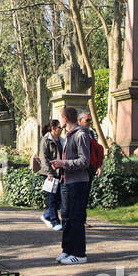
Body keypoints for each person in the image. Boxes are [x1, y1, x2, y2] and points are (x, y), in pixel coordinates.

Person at [53, 107, 93, 265]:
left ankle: (79, 253)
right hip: (67, 182)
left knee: (76, 219)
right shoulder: (68, 136)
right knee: (67, 218)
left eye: (60, 118)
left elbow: (85, 161)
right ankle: (67, 250)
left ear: (64, 118)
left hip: (78, 183)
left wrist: (63, 163)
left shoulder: (81, 134)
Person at [39, 120, 63, 231]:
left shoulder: (61, 140)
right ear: (53, 128)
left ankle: (46, 215)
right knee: (52, 198)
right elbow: (43, 158)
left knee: (59, 198)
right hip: (49, 174)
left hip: (60, 172)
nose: (61, 129)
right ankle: (55, 221)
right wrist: (49, 172)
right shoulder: (45, 140)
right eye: (59, 127)